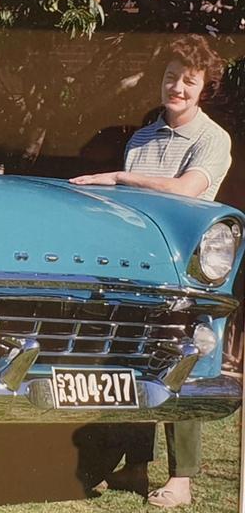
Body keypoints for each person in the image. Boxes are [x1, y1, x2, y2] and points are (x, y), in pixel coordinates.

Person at [70, 34, 232, 508]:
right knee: (132, 364)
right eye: (170, 77)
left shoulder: (213, 139)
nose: (176, 88)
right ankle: (135, 467)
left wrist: (119, 177)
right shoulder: (142, 137)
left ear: (204, 89)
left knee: (181, 367)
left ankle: (181, 480)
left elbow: (185, 190)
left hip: (187, 273)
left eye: (189, 81)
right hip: (137, 269)